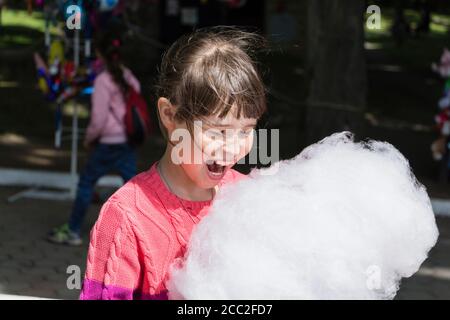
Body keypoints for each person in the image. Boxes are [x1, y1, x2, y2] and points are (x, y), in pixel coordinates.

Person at [79, 27, 267, 300]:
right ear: (170, 115)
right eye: (218, 132)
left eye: (246, 130)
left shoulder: (248, 197)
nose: (234, 147)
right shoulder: (126, 218)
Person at [47, 30, 140, 246]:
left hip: (107, 143)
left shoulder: (103, 81)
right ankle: (138, 237)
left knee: (86, 183)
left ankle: (73, 230)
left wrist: (89, 138)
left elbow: (98, 118)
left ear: (100, 55)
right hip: (127, 141)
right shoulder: (128, 76)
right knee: (133, 188)